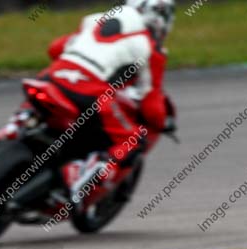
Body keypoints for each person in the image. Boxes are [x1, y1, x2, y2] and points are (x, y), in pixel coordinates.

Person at [11, 0, 176, 209]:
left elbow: (55, 49)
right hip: (89, 92)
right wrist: (161, 123)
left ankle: (12, 129)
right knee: (131, 142)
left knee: (31, 109)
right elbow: (151, 107)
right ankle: (76, 183)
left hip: (52, 78)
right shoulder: (151, 47)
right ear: (160, 18)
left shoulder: (95, 20)